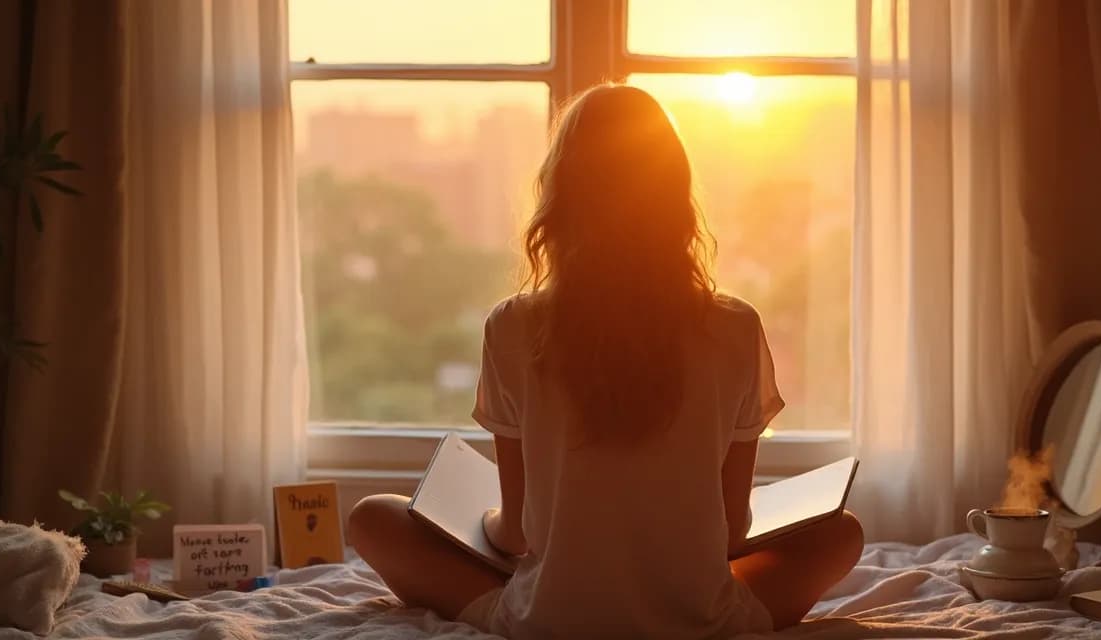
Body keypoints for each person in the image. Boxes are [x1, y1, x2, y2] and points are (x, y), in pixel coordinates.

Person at [347, 83, 864, 639]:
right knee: (843, 534)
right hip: (698, 622)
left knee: (373, 518)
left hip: (547, 622)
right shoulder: (735, 328)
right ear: (675, 198)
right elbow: (733, 534)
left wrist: (484, 528)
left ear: (561, 198)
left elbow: (517, 535)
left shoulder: (513, 326)